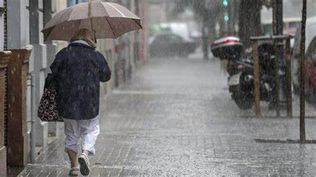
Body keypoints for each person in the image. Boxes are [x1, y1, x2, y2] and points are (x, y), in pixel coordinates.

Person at [50, 29, 111, 176]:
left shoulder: (64, 53)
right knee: (91, 130)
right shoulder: (95, 56)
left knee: (71, 134)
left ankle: (74, 167)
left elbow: (54, 73)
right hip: (89, 103)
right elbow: (106, 76)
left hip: (68, 102)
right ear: (90, 39)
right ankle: (85, 152)